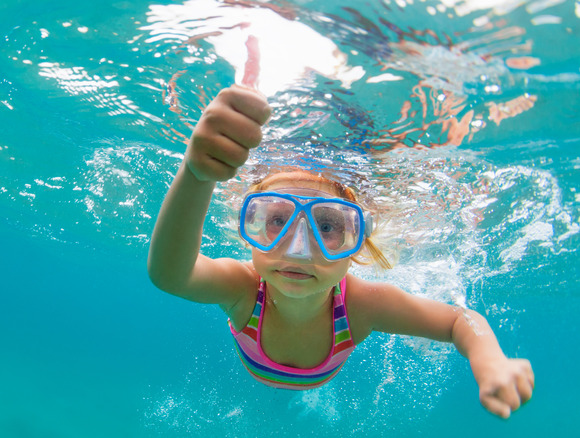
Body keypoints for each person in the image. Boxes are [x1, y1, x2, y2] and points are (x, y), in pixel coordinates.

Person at [147, 85, 534, 419]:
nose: (298, 250)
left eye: (328, 226)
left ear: (358, 242)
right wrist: (197, 175)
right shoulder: (245, 288)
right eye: (278, 221)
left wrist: (489, 359)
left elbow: (455, 321)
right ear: (251, 226)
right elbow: (171, 275)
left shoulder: (364, 305)